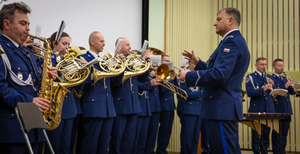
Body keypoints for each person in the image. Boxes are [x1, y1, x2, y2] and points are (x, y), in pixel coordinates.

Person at [178, 7, 250, 154]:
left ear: (230, 20)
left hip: (221, 107)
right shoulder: (234, 41)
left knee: (223, 150)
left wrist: (188, 76)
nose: (214, 23)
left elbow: (219, 76)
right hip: (223, 107)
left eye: (218, 19)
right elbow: (219, 71)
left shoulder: (231, 43)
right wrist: (198, 63)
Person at [0, 2, 56, 153]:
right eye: (23, 23)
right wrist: (30, 101)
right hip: (13, 130)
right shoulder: (2, 50)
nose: (28, 28)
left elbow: (32, 82)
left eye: (28, 24)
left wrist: (47, 76)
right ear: (7, 24)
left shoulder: (26, 52)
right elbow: (1, 88)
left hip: (34, 127)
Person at [77, 31, 123, 154]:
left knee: (103, 146)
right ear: (92, 42)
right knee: (90, 146)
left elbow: (116, 83)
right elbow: (77, 83)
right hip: (93, 108)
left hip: (108, 109)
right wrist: (91, 76)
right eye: (101, 41)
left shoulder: (105, 61)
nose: (104, 44)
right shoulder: (82, 59)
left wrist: (120, 65)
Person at [109, 37, 149, 154]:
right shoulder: (113, 61)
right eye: (127, 45)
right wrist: (120, 64)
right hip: (120, 107)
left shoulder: (132, 62)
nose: (130, 47)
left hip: (134, 106)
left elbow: (142, 78)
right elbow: (114, 83)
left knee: (130, 141)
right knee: (117, 141)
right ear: (120, 47)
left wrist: (144, 65)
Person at [44, 31, 77, 154]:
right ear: (54, 43)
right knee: (53, 147)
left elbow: (77, 87)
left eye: (68, 44)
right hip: (53, 108)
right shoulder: (47, 59)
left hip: (68, 108)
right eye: (64, 44)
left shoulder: (68, 61)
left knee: (66, 148)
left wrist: (81, 70)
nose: (67, 47)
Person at [245, 57, 275, 154]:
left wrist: (273, 87)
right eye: (262, 64)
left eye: (265, 64)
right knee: (256, 135)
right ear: (256, 65)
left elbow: (273, 95)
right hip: (256, 108)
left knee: (266, 135)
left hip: (268, 109)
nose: (264, 66)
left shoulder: (268, 77)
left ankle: (264, 152)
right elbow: (249, 93)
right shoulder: (250, 77)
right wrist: (263, 89)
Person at [134, 51, 160, 154]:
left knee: (144, 139)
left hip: (147, 108)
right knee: (136, 138)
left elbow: (155, 90)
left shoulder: (151, 71)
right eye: (146, 58)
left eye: (150, 58)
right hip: (139, 106)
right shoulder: (138, 70)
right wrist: (150, 79)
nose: (148, 60)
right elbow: (138, 84)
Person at [271, 59, 296, 154]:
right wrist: (285, 86)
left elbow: (291, 93)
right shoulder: (271, 78)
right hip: (278, 109)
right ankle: (276, 152)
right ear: (274, 67)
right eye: (280, 66)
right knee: (277, 133)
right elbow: (273, 92)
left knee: (284, 133)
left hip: (287, 109)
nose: (282, 67)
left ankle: (282, 151)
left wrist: (292, 85)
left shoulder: (284, 78)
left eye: (282, 65)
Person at [176, 61, 201, 154]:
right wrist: (200, 93)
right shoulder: (183, 75)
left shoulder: (198, 76)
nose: (198, 66)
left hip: (199, 110)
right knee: (187, 138)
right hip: (188, 110)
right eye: (196, 64)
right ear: (190, 64)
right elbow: (184, 94)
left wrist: (198, 94)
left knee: (195, 139)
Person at [156, 55, 177, 154]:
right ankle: (160, 150)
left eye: (169, 61)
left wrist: (175, 77)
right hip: (163, 105)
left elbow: (176, 89)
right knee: (163, 130)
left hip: (171, 105)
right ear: (161, 62)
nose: (169, 63)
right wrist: (170, 79)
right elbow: (163, 90)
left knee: (168, 130)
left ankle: (163, 149)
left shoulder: (169, 75)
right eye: (166, 61)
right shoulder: (160, 74)